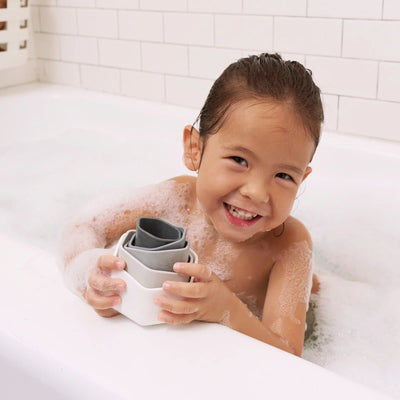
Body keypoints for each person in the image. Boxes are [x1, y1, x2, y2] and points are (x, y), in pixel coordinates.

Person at [60, 53, 324, 357]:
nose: (257, 193)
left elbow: (289, 355)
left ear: (302, 179)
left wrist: (227, 310)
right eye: (239, 160)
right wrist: (93, 278)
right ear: (195, 148)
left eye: (283, 175)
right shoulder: (176, 197)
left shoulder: (289, 245)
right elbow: (84, 226)